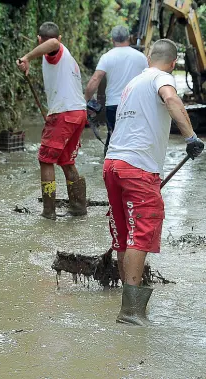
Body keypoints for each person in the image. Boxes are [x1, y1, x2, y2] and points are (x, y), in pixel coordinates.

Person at [103, 39, 204, 326]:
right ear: (173, 63)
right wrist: (191, 137)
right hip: (138, 169)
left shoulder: (133, 83)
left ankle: (129, 299)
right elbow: (171, 99)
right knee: (141, 233)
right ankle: (131, 312)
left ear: (149, 58)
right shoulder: (163, 78)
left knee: (125, 234)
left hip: (113, 165)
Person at [17, 22, 87, 220]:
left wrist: (27, 57)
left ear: (39, 39)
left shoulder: (55, 51)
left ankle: (48, 212)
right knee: (66, 161)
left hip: (64, 114)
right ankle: (78, 207)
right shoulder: (67, 56)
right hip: (77, 113)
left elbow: (52, 42)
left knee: (45, 160)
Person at [85, 25, 148, 154]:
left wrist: (84, 100)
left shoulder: (107, 57)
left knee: (113, 137)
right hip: (136, 105)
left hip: (113, 105)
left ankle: (110, 167)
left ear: (112, 40)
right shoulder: (141, 57)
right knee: (134, 138)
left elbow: (96, 79)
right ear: (129, 38)